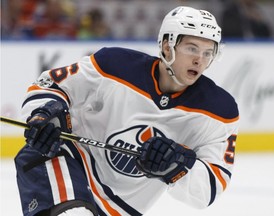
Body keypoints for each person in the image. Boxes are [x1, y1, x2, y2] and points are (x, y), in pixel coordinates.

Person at [15, 6, 239, 216]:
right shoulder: (114, 65)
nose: (200, 59)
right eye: (192, 48)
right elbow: (51, 85)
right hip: (67, 159)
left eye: (208, 52)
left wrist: (175, 166)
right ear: (167, 46)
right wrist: (42, 115)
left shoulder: (220, 111)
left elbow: (210, 189)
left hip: (119, 208)